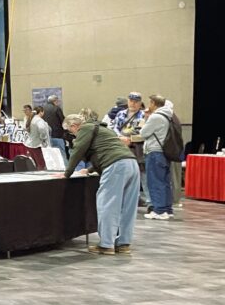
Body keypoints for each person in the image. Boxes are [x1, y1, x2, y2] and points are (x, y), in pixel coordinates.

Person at [62, 113, 141, 255]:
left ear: (74, 126)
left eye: (70, 131)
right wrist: (89, 169)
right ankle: (123, 244)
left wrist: (66, 173)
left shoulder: (84, 129)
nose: (72, 134)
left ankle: (106, 244)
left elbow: (78, 150)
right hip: (131, 163)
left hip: (116, 166)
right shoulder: (102, 128)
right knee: (128, 206)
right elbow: (107, 149)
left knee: (107, 204)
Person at [138, 95, 174, 220]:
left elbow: (143, 133)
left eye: (150, 103)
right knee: (164, 182)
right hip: (164, 152)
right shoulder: (168, 115)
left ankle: (159, 211)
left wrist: (145, 120)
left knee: (154, 182)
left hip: (154, 152)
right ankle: (167, 209)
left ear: (153, 103)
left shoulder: (156, 117)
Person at [43, 95, 67, 159]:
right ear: (55, 101)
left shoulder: (42, 109)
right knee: (61, 153)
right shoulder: (57, 108)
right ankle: (64, 168)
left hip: (47, 136)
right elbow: (63, 121)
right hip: (58, 135)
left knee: (51, 155)